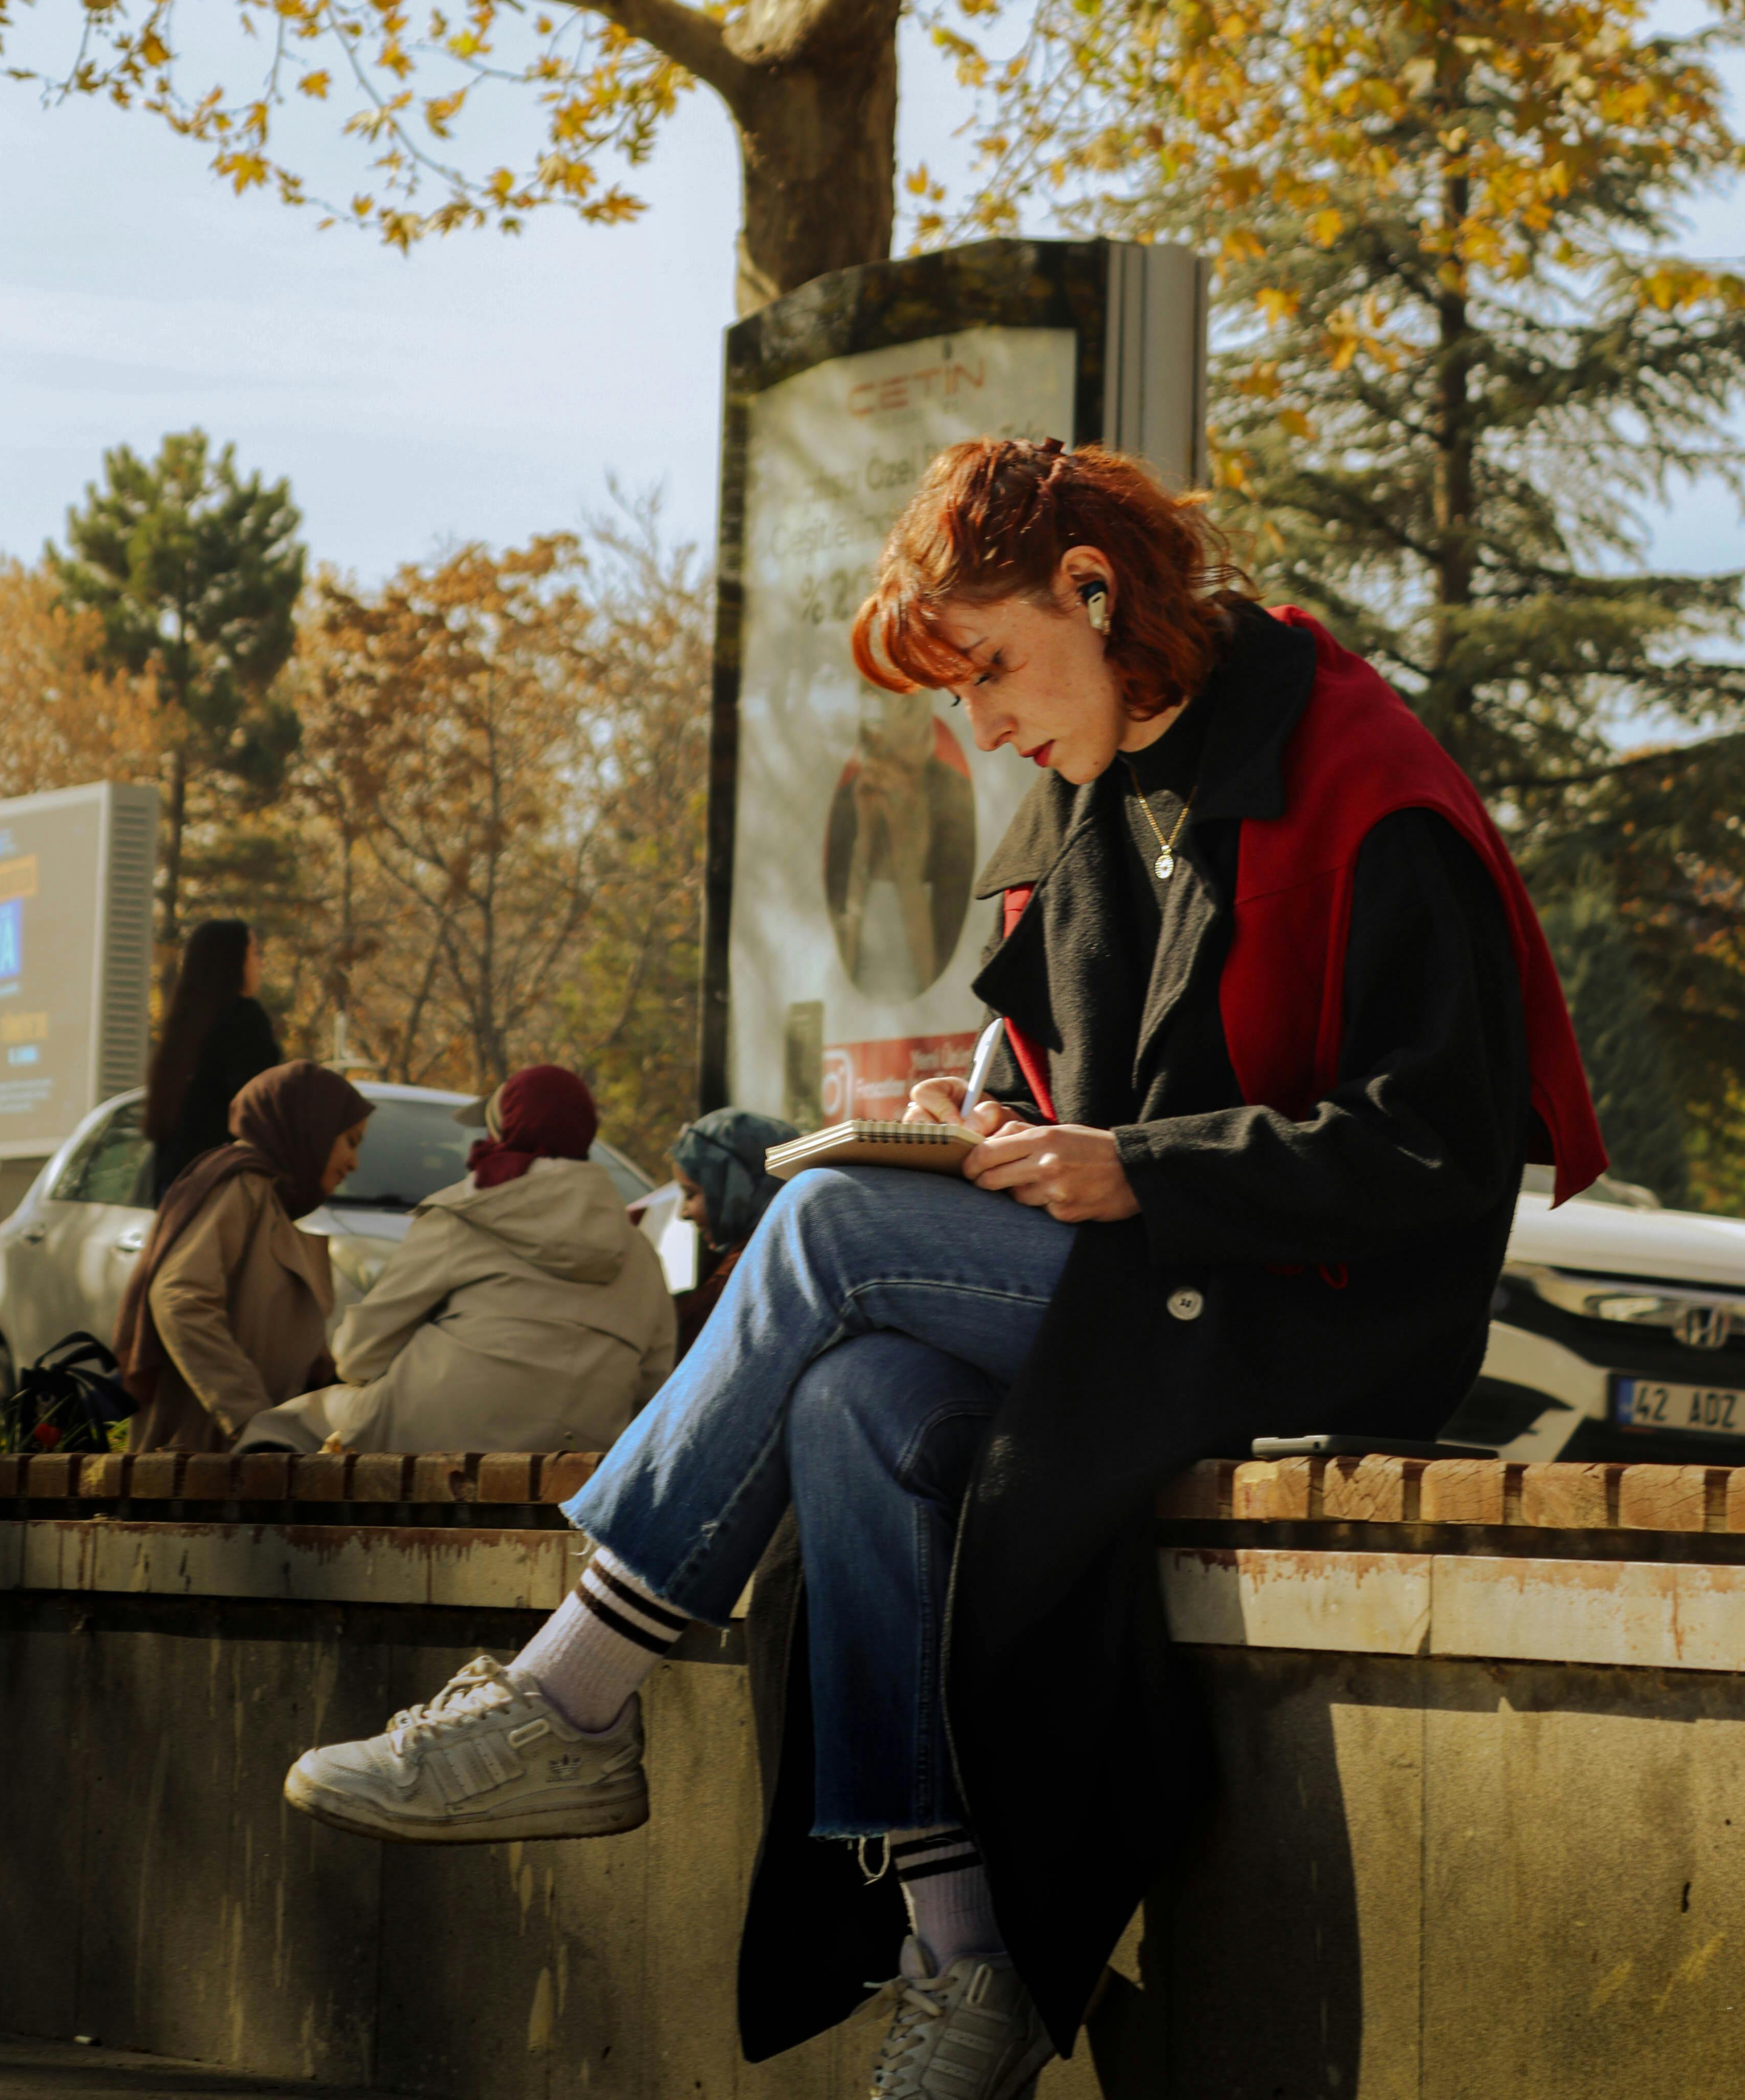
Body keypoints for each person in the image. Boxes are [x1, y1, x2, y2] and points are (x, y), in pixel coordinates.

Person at [283, 438, 1607, 2100]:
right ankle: (967, 1964)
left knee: (825, 1232)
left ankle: (579, 1695)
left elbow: (1439, 1151)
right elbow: (1049, 1047)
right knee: (855, 1397)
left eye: (990, 669)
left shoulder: (1359, 777)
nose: (980, 724)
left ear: (1093, 590)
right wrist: (968, 1110)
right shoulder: (1095, 766)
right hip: (1135, 1282)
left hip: (1305, 1314)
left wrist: (1136, 1167)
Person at [245, 1064, 675, 1458]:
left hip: (438, 1435)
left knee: (280, 1425)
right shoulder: (642, 1255)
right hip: (587, 1452)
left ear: (503, 1131)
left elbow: (360, 1355)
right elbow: (655, 1389)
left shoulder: (467, 1214)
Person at [119, 1061, 368, 1454]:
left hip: (242, 1464)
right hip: (200, 1464)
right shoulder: (238, 1185)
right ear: (312, 1128)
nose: (354, 1163)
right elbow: (181, 1298)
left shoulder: (272, 1200)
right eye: (350, 1141)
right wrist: (252, 1419)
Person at [146, 918, 281, 1198]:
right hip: (222, 1186)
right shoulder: (244, 1019)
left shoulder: (184, 1026)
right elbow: (257, 1109)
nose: (260, 964)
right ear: (234, 962)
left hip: (176, 1184)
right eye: (254, 953)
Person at [667, 1107, 797, 1353]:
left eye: (691, 1194)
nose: (683, 1213)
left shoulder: (745, 1276)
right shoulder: (781, 1251)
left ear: (734, 1188)